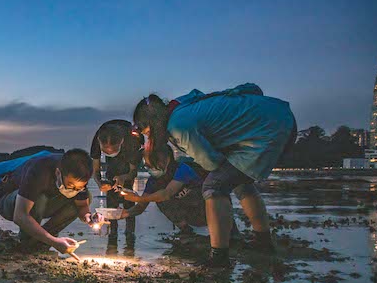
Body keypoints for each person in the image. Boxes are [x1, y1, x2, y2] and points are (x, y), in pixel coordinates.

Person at [132, 83, 296, 267]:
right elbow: (204, 94)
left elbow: (210, 163)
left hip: (267, 131)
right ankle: (263, 242)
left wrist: (192, 170)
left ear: (153, 123)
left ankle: (219, 256)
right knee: (241, 182)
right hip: (278, 114)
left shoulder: (179, 127)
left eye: (145, 132)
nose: (148, 138)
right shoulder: (178, 105)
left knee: (213, 186)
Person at [120, 144, 242, 242]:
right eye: (146, 165)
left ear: (165, 158)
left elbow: (167, 193)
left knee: (161, 196)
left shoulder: (182, 169)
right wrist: (123, 213)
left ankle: (231, 231)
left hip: (210, 209)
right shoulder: (153, 182)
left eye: (150, 163)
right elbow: (140, 208)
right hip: (190, 215)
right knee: (159, 200)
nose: (148, 167)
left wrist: (138, 198)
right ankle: (186, 231)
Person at [0, 149, 99, 256]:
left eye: (79, 188)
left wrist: (90, 218)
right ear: (58, 172)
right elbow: (20, 215)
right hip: (10, 203)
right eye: (71, 185)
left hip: (44, 204)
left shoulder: (80, 173)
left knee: (88, 198)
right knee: (40, 198)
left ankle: (41, 244)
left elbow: (82, 206)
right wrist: (54, 241)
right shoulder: (39, 169)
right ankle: (26, 243)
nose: (74, 190)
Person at [90, 120, 144, 239]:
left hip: (129, 158)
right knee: (111, 194)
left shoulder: (132, 141)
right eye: (105, 150)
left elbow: (133, 171)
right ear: (100, 142)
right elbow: (95, 170)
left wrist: (124, 177)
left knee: (128, 197)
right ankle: (112, 233)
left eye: (113, 150)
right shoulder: (97, 139)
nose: (109, 152)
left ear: (121, 142)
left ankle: (130, 234)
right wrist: (100, 184)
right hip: (112, 167)